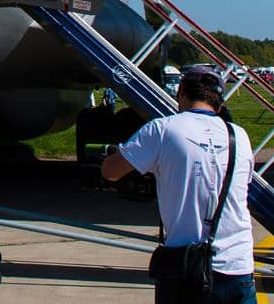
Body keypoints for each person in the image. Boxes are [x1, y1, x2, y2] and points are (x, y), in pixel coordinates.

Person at [101, 67, 254, 304]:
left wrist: (120, 154)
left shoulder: (163, 129)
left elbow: (110, 172)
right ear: (219, 103)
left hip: (186, 268)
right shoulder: (240, 136)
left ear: (181, 93)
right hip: (238, 266)